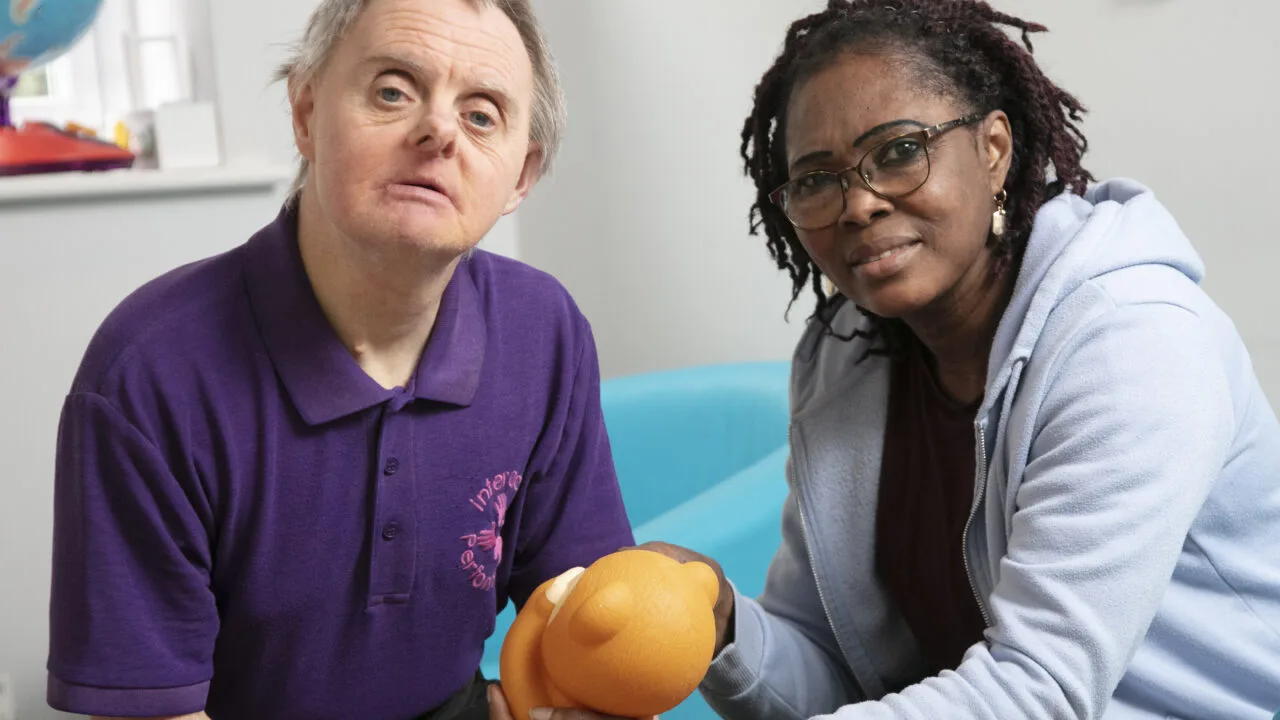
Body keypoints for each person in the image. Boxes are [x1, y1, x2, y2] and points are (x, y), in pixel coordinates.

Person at [496, 1, 1280, 719]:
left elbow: (1038, 690)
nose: (859, 203)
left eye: (900, 151)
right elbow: (835, 668)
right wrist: (723, 624)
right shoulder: (849, 359)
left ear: (994, 148)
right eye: (816, 180)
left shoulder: (1131, 343)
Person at [44, 1, 635, 719]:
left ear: (521, 177)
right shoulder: (148, 372)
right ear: (306, 112)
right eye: (392, 90)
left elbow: (590, 620)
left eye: (482, 115)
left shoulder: (545, 331)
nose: (439, 132)